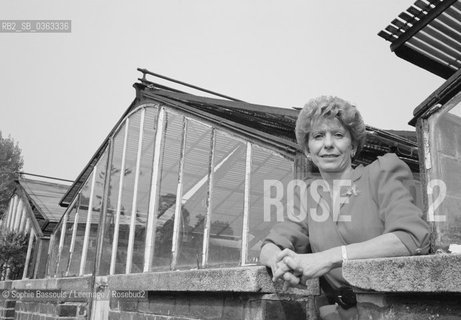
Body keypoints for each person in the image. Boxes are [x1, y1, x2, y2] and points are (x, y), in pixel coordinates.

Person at [259, 96, 430, 320]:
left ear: (353, 146)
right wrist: (279, 263)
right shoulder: (307, 194)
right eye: (318, 136)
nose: (328, 144)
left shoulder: (381, 173)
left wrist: (326, 258)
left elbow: (413, 238)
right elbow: (272, 244)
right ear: (308, 150)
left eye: (338, 135)